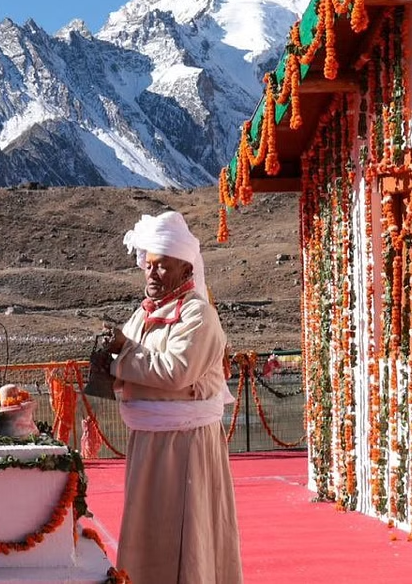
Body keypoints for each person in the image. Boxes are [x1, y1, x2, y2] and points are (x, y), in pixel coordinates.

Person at [95, 210, 242, 583]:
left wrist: (121, 356)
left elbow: (177, 372)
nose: (152, 273)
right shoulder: (142, 315)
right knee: (148, 535)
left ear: (185, 269)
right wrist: (105, 367)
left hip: (185, 445)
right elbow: (131, 368)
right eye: (148, 265)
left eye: (162, 266)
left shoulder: (198, 316)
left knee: (186, 535)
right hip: (148, 444)